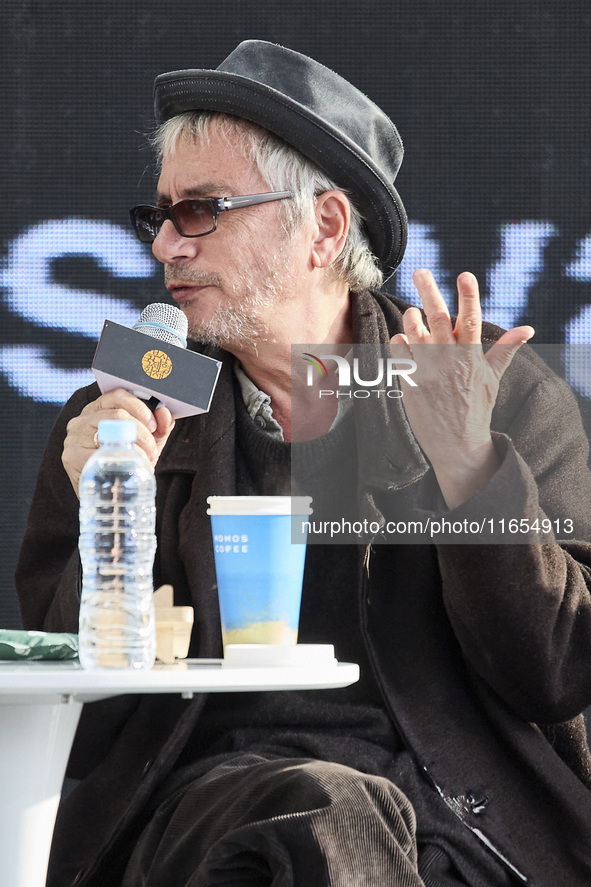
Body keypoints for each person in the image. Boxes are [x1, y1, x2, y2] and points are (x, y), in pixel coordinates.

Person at [16, 40, 591, 887]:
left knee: (340, 822)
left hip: (453, 812)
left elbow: (556, 672)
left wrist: (470, 466)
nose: (167, 245)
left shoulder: (489, 395)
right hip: (206, 802)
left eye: (203, 210)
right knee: (315, 814)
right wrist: (113, 514)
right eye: (161, 215)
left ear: (323, 226)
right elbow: (84, 723)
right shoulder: (120, 417)